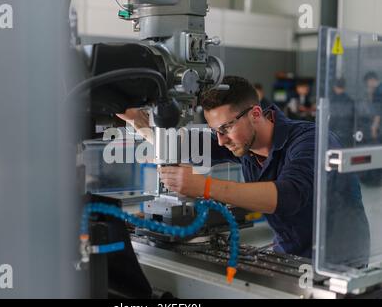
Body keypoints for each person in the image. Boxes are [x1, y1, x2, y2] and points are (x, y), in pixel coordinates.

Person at [117, 76, 369, 265]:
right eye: (215, 130)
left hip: (338, 261)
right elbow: (183, 146)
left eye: (225, 128)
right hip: (289, 252)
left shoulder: (311, 141)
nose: (220, 141)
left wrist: (204, 187)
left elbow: (288, 195)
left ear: (255, 114)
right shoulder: (243, 144)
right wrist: (139, 122)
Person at [329, 78, 356, 147]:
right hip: (348, 133)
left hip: (335, 132)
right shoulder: (350, 100)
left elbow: (332, 117)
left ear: (335, 87)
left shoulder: (333, 100)